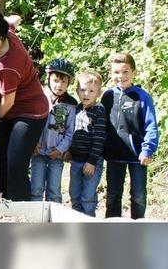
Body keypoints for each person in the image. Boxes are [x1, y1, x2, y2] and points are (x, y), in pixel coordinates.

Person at [0, 10, 48, 201]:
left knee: (15, 162)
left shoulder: (6, 67)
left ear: (1, 35)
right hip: (9, 110)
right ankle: (3, 200)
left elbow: (8, 102)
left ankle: (20, 208)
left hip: (29, 111)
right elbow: (16, 18)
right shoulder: (4, 30)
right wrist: (11, 21)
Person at [102, 53, 158, 219]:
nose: (121, 76)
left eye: (125, 71)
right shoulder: (108, 96)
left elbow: (151, 125)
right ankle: (111, 230)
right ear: (111, 74)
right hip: (114, 155)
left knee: (139, 196)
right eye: (117, 72)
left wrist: (147, 149)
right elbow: (101, 124)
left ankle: (138, 229)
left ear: (134, 72)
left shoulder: (142, 96)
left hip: (137, 156)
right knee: (113, 195)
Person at [30, 58, 77, 203]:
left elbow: (70, 132)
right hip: (38, 152)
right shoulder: (38, 98)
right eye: (56, 80)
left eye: (64, 82)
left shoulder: (71, 104)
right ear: (48, 78)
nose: (59, 85)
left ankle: (54, 221)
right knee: (36, 189)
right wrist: (33, 143)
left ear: (69, 83)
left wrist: (60, 149)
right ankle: (34, 219)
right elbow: (30, 123)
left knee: (54, 190)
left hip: (56, 154)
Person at [68, 71, 106, 217]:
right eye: (83, 90)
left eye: (91, 91)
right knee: (74, 194)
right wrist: (69, 151)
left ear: (98, 93)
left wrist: (92, 161)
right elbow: (73, 133)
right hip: (76, 160)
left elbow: (99, 138)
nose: (86, 94)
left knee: (87, 197)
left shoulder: (99, 111)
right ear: (77, 90)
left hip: (91, 162)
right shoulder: (77, 109)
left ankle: (89, 224)